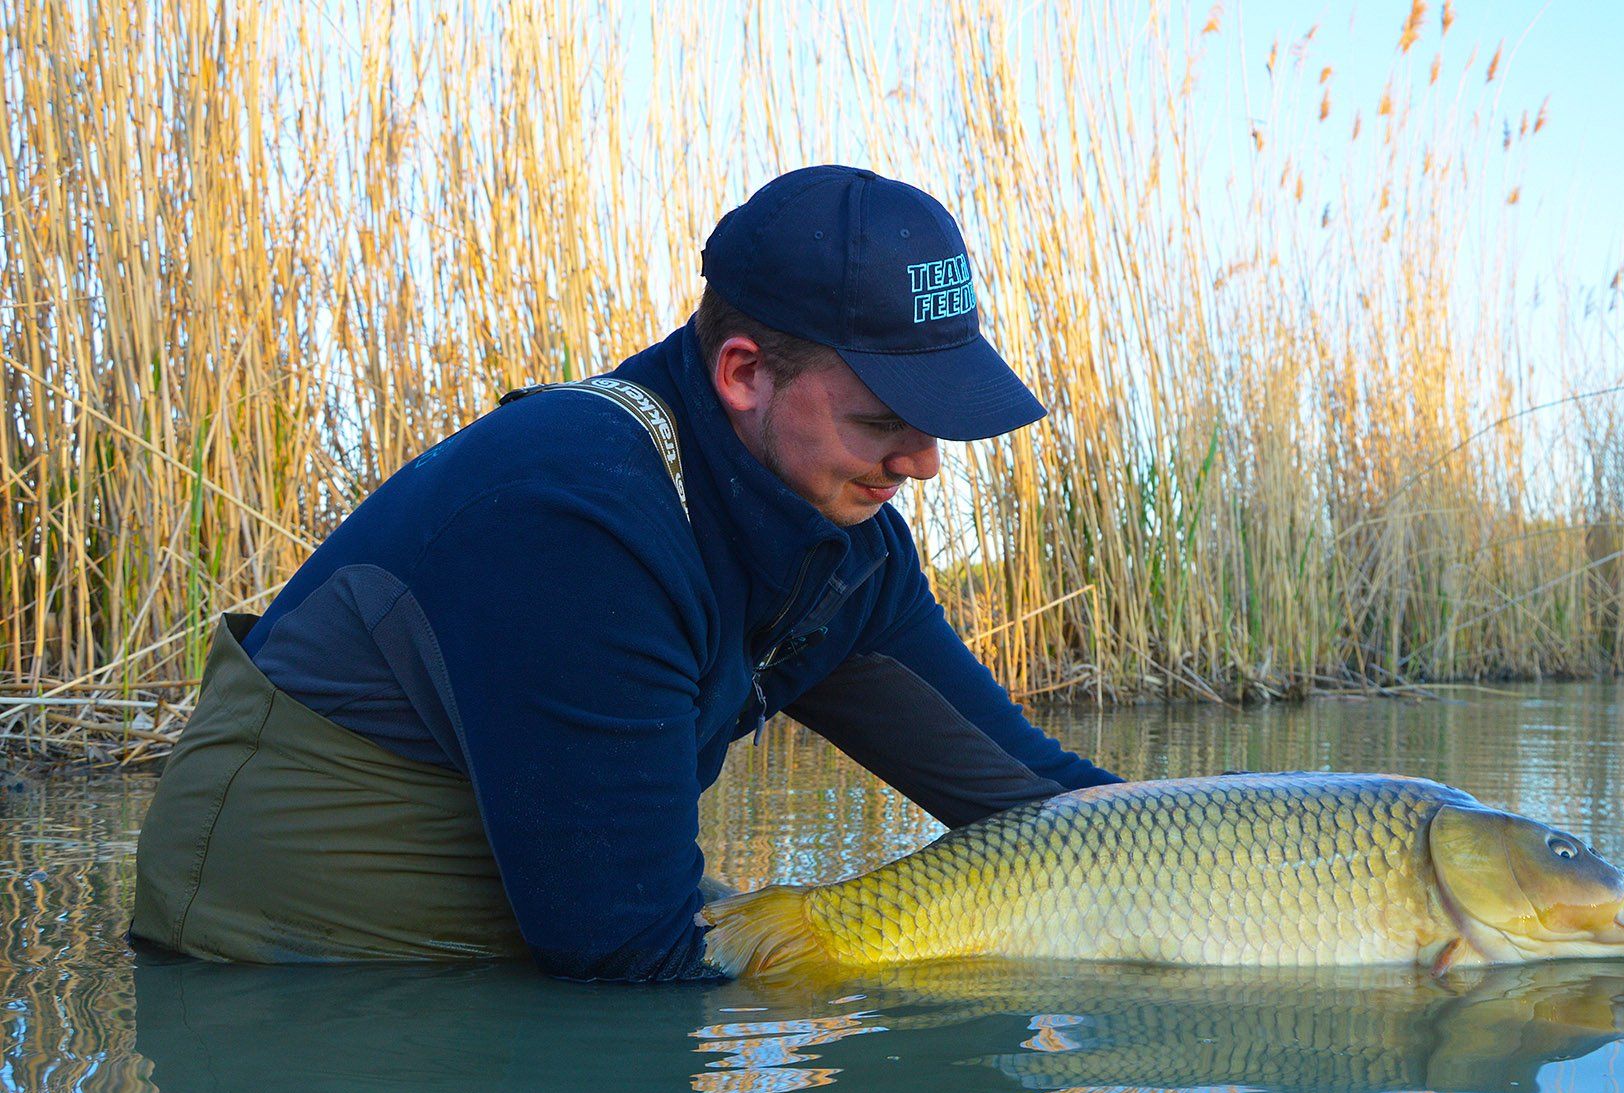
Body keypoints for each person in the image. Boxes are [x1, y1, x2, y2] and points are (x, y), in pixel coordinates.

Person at [130, 165, 1121, 981]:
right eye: (880, 419)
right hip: (296, 966)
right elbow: (621, 955)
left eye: (939, 415)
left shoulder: (844, 537)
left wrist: (1243, 868)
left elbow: (1040, 804)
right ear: (742, 372)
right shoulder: (577, 517)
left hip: (566, 923)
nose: (923, 460)